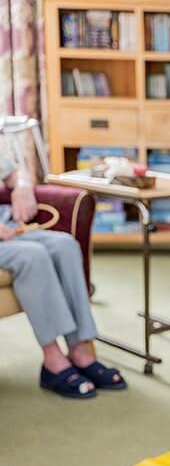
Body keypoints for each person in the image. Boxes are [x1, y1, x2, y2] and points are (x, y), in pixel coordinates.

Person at [0, 157, 125, 399]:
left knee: (65, 246)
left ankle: (80, 349)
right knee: (31, 256)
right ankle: (52, 359)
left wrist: (23, 186)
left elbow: (14, 171)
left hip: (6, 227)